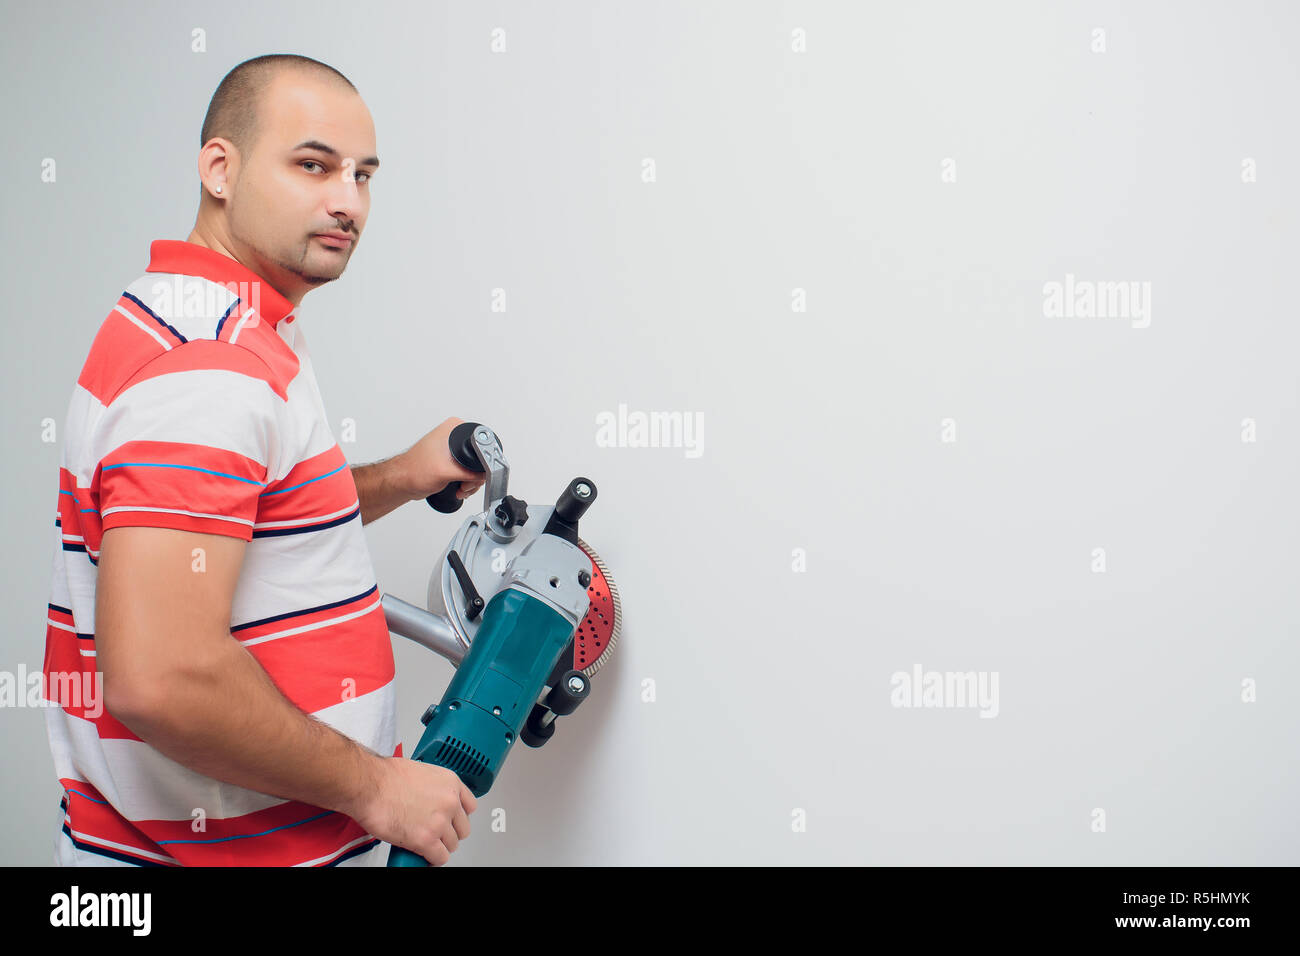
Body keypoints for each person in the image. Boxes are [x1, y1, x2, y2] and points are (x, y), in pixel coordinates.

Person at [42, 53, 479, 866]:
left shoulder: (224, 319)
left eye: (362, 175)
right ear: (220, 169)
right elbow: (162, 677)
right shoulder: (207, 369)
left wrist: (402, 477)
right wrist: (377, 789)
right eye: (313, 165)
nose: (347, 201)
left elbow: (246, 513)